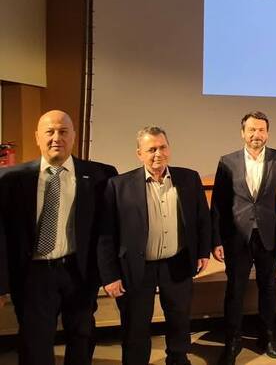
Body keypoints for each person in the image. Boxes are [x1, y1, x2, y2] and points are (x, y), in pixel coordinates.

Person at [0, 110, 117, 365]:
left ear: (73, 136)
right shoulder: (10, 179)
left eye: (63, 131)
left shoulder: (101, 175)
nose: (56, 138)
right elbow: (3, 236)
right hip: (33, 275)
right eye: (49, 132)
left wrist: (109, 273)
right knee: (35, 343)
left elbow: (108, 229)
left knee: (82, 337)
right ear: (37, 137)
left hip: (79, 271)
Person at [98, 126, 211, 365]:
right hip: (137, 268)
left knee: (179, 320)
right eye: (151, 149)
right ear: (139, 154)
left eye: (162, 147)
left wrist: (203, 252)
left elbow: (202, 218)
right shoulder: (118, 186)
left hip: (177, 262)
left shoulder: (189, 178)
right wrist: (110, 276)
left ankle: (178, 359)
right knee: (136, 326)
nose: (158, 154)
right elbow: (106, 236)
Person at [211, 111, 276, 363]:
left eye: (261, 130)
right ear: (242, 133)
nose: (257, 134)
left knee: (268, 287)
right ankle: (233, 340)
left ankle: (267, 335)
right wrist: (216, 240)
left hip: (270, 235)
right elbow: (218, 204)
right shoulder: (227, 161)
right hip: (237, 237)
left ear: (267, 133)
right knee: (235, 290)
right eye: (252, 130)